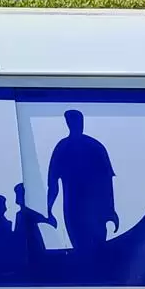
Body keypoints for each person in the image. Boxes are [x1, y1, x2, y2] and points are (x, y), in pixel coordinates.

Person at [45, 109, 118, 255]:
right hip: (73, 206)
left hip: (95, 207)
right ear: (68, 124)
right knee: (79, 245)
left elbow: (107, 181)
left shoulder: (95, 147)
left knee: (98, 247)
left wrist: (110, 209)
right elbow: (53, 184)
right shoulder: (62, 148)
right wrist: (49, 209)